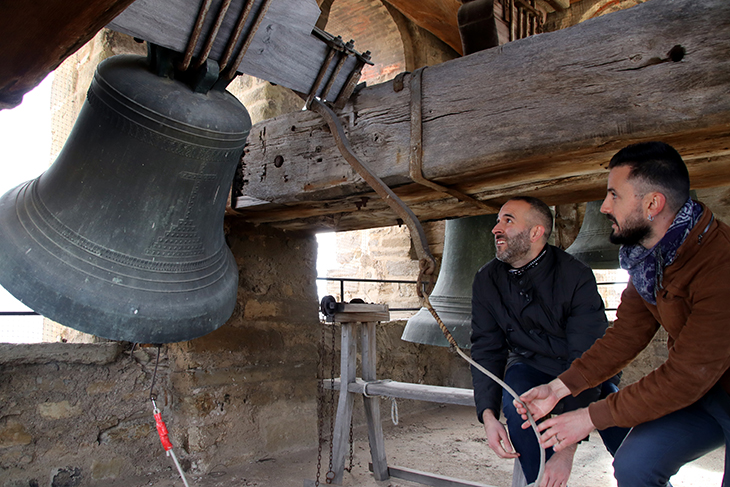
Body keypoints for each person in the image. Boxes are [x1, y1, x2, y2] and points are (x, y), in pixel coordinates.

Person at [516, 141, 730, 487]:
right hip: (707, 393)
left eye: (614, 195)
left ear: (652, 204)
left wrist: (589, 417)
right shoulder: (650, 261)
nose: (604, 206)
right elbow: (625, 335)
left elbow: (687, 374)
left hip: (704, 383)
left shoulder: (720, 265)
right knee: (635, 465)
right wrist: (559, 388)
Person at [470, 196, 628, 487]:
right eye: (497, 220)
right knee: (518, 404)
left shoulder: (575, 276)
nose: (495, 229)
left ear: (535, 232)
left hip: (583, 369)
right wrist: (488, 416)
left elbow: (587, 355)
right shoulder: (486, 279)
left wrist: (565, 451)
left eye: (508, 220)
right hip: (531, 366)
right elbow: (486, 349)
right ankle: (538, 481)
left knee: (620, 425)